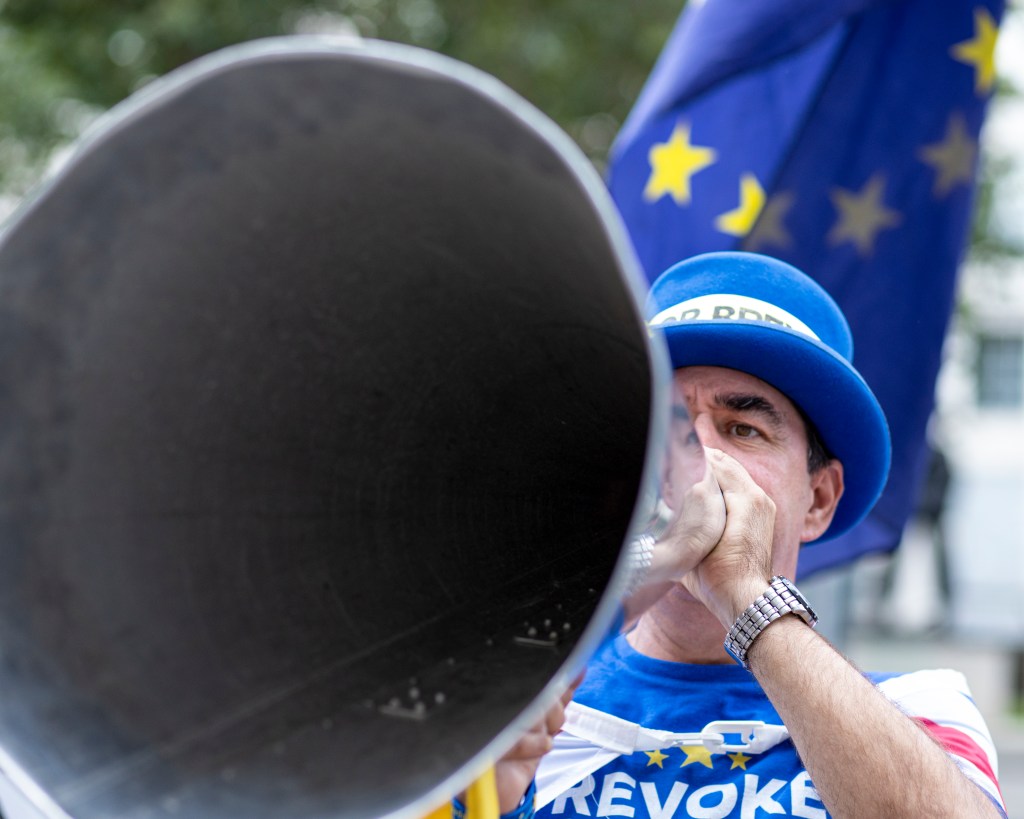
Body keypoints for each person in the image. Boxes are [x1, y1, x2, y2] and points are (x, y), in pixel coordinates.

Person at [490, 252, 1005, 818]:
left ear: (819, 499)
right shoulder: (525, 705)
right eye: (665, 427)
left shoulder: (916, 710)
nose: (695, 461)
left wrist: (747, 595)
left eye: (743, 428)